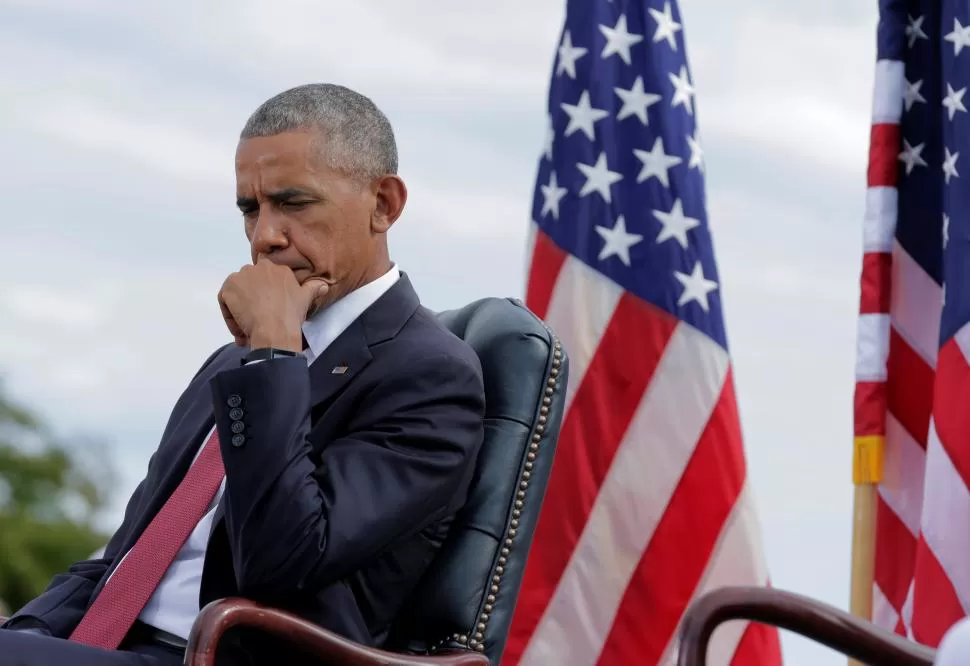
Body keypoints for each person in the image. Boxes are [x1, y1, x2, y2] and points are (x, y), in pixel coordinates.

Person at [0, 83, 486, 666]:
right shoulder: (232, 363)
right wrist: (26, 634)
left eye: (294, 203)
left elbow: (281, 563)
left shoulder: (431, 375)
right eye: (251, 209)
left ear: (383, 203)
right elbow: (120, 560)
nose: (264, 238)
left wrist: (275, 358)